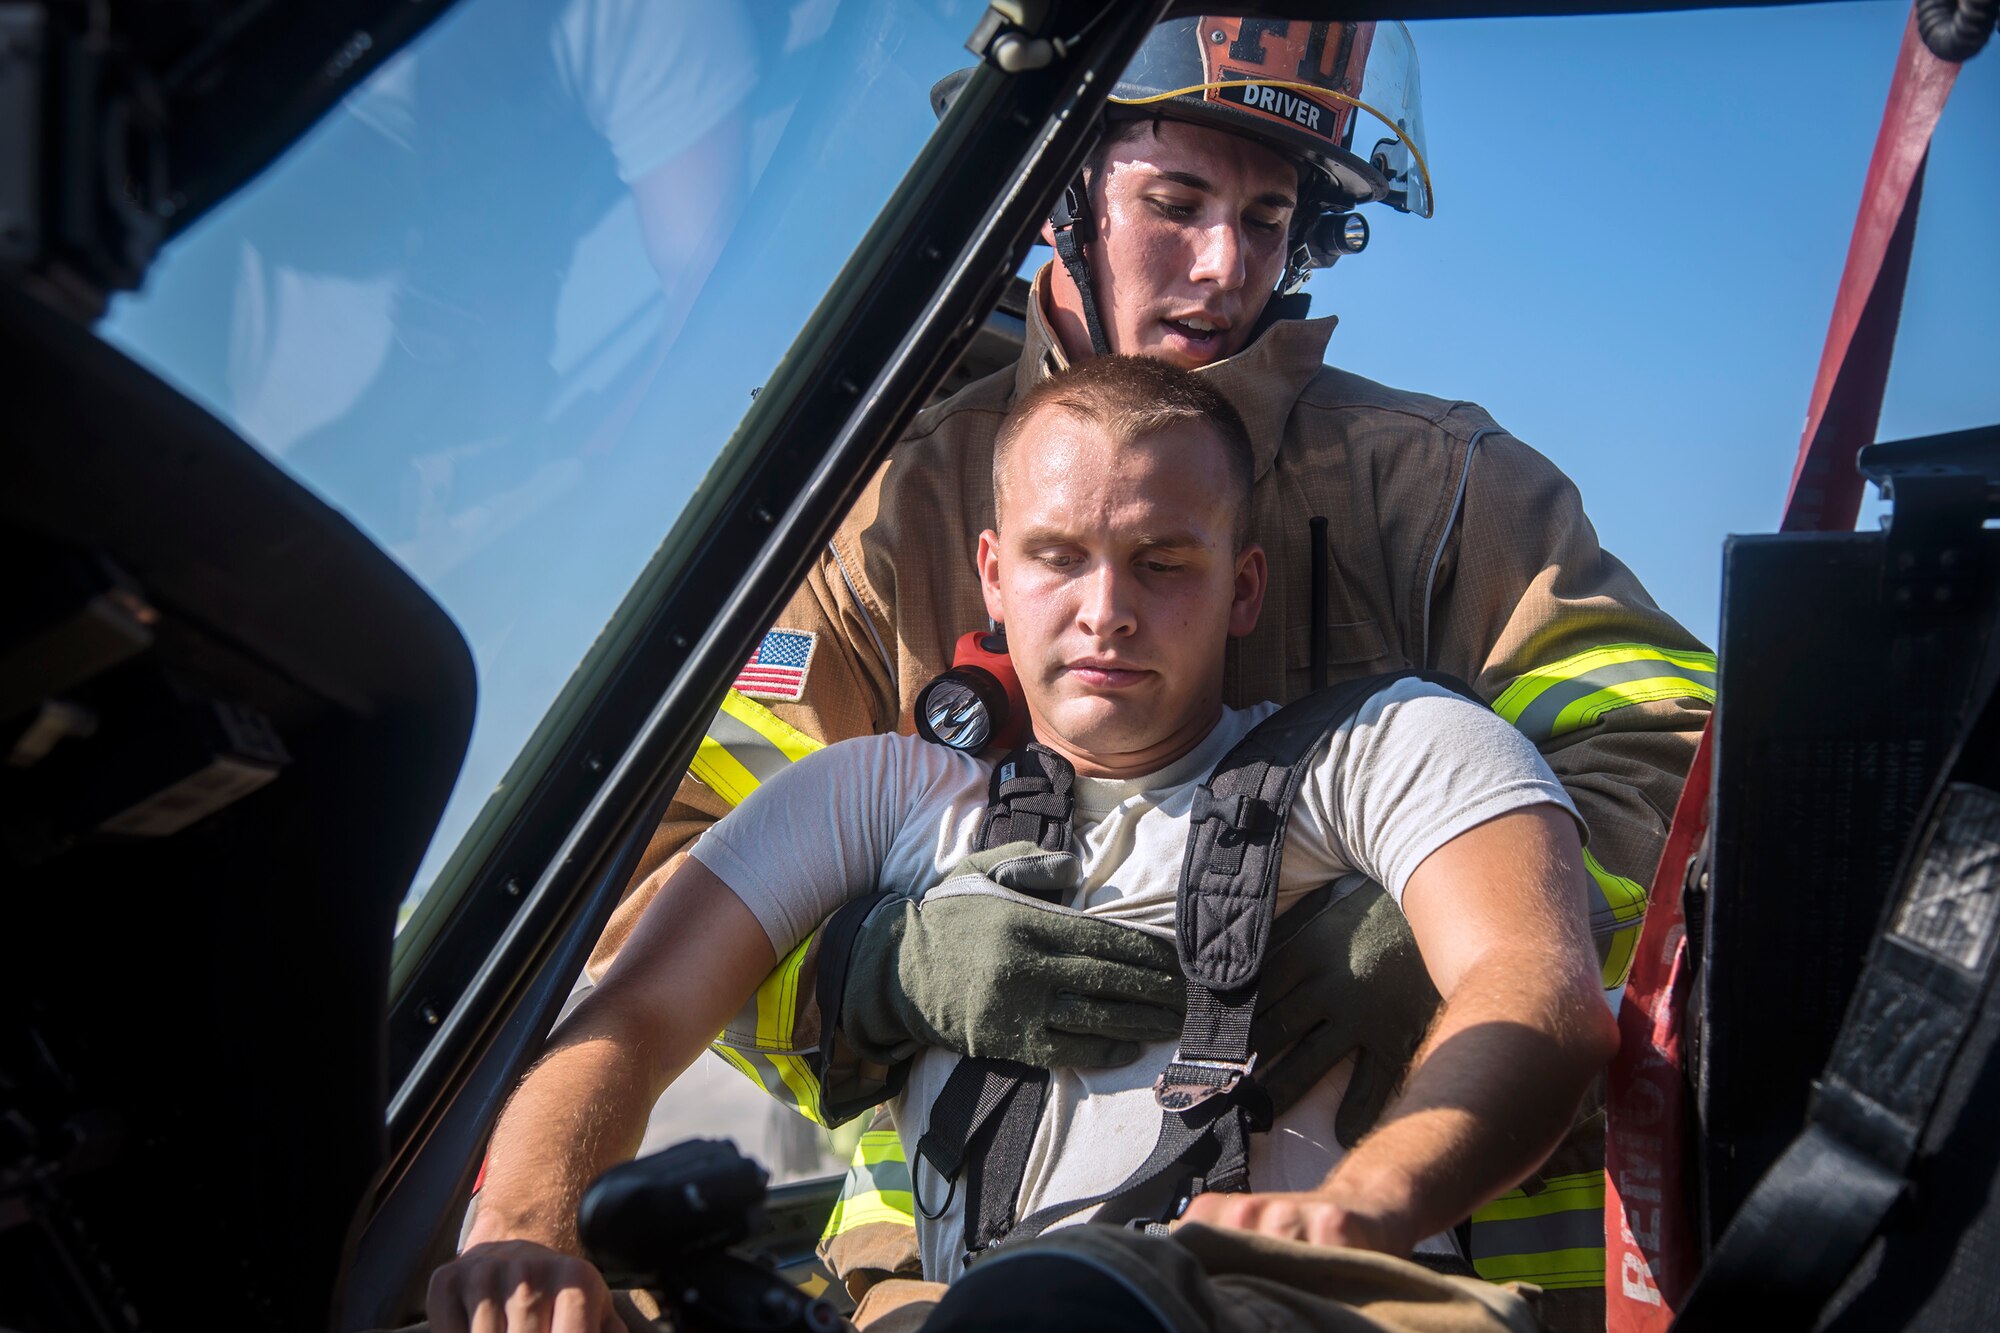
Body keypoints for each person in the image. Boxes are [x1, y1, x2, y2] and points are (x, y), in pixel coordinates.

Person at [589, 16, 1708, 1327]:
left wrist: (1463, 939)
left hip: (1389, 1280)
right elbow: (660, 879)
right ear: (1065, 192)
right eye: (1174, 203)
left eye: (1270, 216)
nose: (1225, 265)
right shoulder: (898, 522)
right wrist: (872, 970)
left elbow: (1680, 764)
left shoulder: (1445, 492)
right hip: (957, 1280)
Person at [427, 357, 1618, 1333]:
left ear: (1242, 586)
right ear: (993, 574)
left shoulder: (1390, 748)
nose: (1106, 610)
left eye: (1162, 563)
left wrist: (1366, 1202)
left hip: (1284, 1307)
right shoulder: (877, 798)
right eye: (1058, 557)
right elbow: (626, 1020)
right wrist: (523, 1229)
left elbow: (1534, 988)